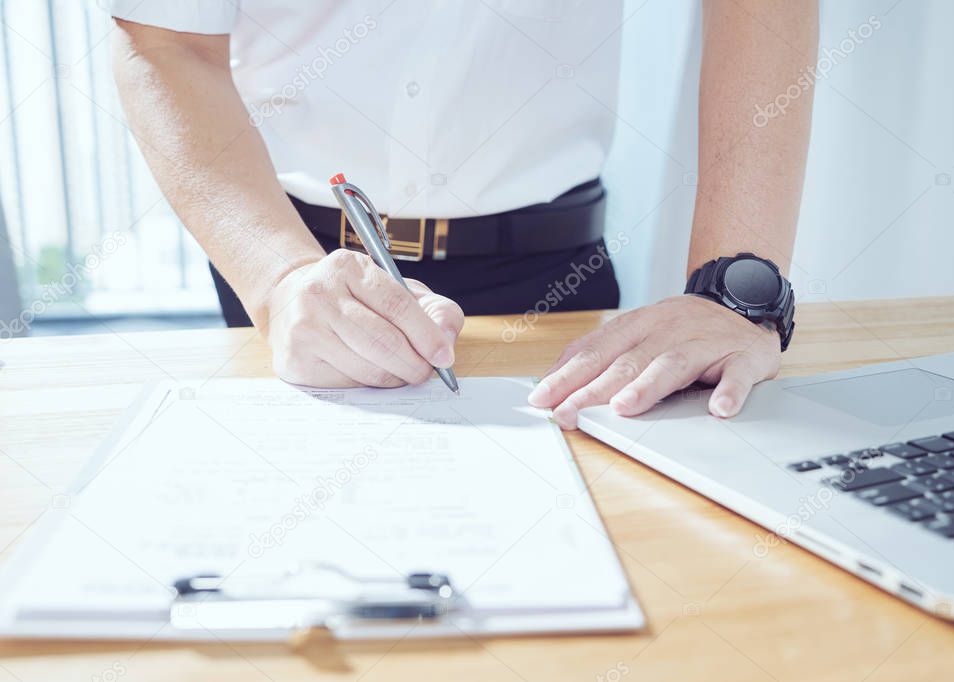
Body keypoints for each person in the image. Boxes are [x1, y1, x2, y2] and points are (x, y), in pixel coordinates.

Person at [104, 1, 817, 428]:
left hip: (554, 275)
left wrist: (734, 295)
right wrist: (278, 279)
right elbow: (164, 39)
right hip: (295, 267)